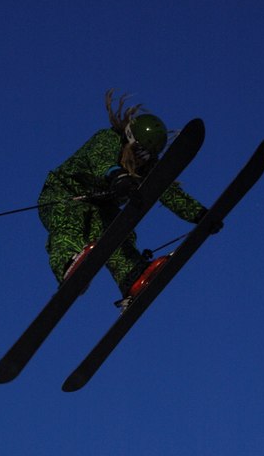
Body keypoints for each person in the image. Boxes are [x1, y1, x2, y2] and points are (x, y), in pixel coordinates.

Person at [37, 89, 209, 306]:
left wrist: (199, 215)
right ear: (129, 138)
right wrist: (118, 176)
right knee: (70, 217)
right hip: (64, 195)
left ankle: (133, 277)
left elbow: (167, 192)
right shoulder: (108, 139)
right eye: (138, 151)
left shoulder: (145, 167)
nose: (139, 159)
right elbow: (100, 162)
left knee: (117, 231)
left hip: (101, 207)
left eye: (146, 155)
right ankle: (68, 263)